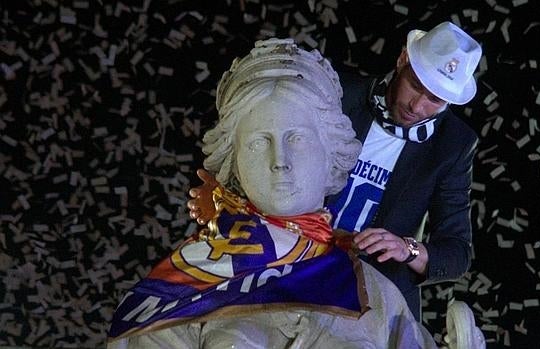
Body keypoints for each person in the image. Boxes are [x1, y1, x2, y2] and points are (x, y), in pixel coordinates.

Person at [107, 38, 441, 349]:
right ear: (234, 161)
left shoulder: (380, 298)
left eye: (297, 139)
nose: (279, 162)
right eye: (257, 143)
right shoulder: (179, 289)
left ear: (332, 154)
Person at [326, 21, 482, 321]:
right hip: (297, 256)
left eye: (434, 100)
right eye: (415, 85)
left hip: (375, 290)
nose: (417, 106)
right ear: (402, 60)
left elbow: (457, 253)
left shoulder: (454, 145)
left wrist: (407, 250)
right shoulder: (339, 94)